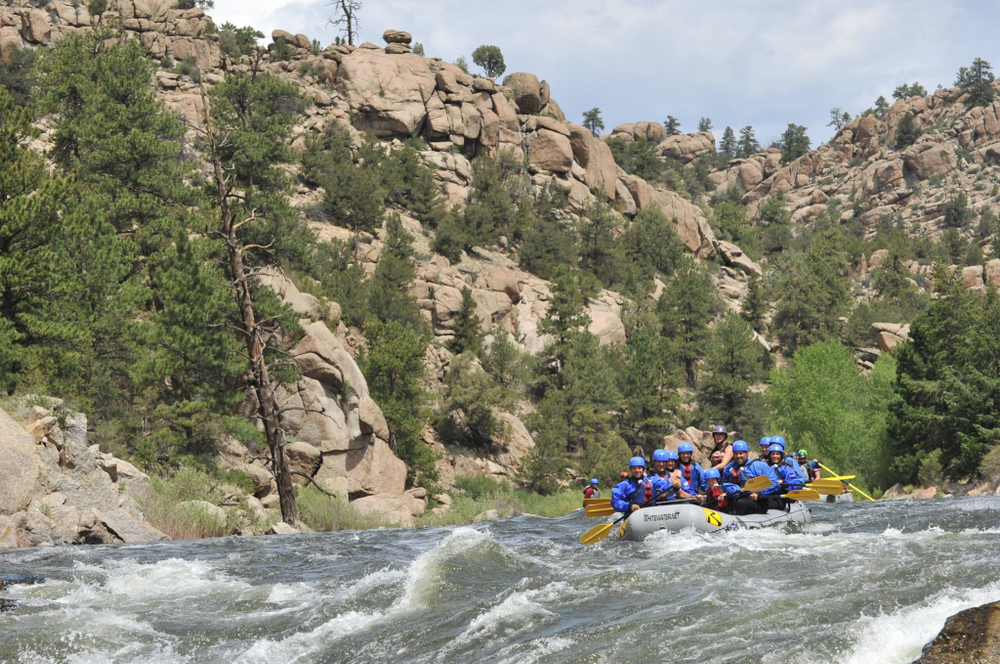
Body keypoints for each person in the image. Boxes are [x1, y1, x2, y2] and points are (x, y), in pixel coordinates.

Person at [721, 440, 783, 515]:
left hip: (758, 501)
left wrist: (759, 493)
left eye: (741, 453)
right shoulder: (729, 468)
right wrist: (723, 492)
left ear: (747, 453)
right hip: (737, 498)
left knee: (741, 503)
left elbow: (773, 482)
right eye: (736, 454)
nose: (738, 456)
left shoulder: (758, 465)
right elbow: (725, 484)